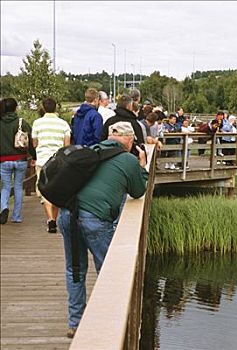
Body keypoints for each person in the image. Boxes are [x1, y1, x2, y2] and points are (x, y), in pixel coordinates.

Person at [57, 121, 148, 339]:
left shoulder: (91, 151)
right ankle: (108, 324)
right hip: (94, 219)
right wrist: (142, 165)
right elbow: (138, 191)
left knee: (75, 269)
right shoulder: (127, 159)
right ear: (127, 139)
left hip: (67, 214)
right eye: (133, 140)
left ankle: (75, 323)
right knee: (108, 272)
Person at [32, 98, 72, 232]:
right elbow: (67, 145)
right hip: (58, 161)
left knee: (44, 189)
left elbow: (34, 144)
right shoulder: (63, 124)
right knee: (56, 189)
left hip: (42, 160)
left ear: (43, 108)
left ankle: (50, 219)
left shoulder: (37, 123)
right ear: (56, 108)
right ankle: (54, 218)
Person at [0, 98, 36, 224]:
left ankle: (4, 207)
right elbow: (31, 141)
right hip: (20, 159)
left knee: (5, 187)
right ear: (15, 108)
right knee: (18, 187)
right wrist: (34, 157)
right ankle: (16, 216)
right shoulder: (22, 122)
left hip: (3, 160)